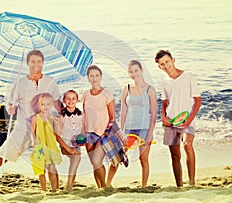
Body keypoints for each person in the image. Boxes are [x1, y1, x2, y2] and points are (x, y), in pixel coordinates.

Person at [0, 50, 62, 192]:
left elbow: (57, 103)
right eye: (33, 61)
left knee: (49, 164)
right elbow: (10, 105)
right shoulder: (20, 83)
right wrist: (11, 108)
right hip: (22, 129)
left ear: (43, 63)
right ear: (27, 63)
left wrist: (68, 113)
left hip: (43, 129)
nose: (36, 65)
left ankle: (53, 192)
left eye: (39, 61)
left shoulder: (50, 82)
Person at [155, 50, 202, 187]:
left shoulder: (188, 77)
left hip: (188, 120)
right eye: (162, 64)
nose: (166, 65)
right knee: (175, 155)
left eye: (167, 61)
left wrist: (189, 120)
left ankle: (192, 182)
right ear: (160, 67)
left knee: (187, 145)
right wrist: (163, 117)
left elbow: (198, 101)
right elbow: (164, 103)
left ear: (173, 60)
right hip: (171, 122)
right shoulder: (164, 82)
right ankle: (179, 185)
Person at [112, 60, 157, 188]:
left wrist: (149, 135)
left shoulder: (150, 90)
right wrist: (121, 132)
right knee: (118, 157)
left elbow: (153, 115)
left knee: (143, 160)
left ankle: (144, 186)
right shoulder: (126, 88)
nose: (134, 74)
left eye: (136, 70)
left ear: (141, 70)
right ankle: (107, 184)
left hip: (144, 128)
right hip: (129, 129)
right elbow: (123, 111)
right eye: (131, 72)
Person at [81, 65, 115, 188]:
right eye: (91, 76)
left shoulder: (107, 94)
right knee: (94, 164)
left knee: (97, 161)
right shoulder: (85, 94)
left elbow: (112, 117)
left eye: (97, 75)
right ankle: (100, 187)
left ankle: (105, 186)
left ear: (100, 77)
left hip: (102, 134)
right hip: (89, 134)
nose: (94, 78)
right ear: (88, 78)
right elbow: (84, 114)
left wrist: (106, 133)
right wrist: (82, 133)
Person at [30, 93, 63, 192]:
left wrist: (58, 124)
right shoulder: (35, 118)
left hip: (51, 146)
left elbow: (58, 133)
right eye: (42, 104)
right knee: (41, 170)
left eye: (48, 104)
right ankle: (44, 189)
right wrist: (34, 142)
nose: (45, 107)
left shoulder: (53, 118)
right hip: (39, 146)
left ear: (52, 104)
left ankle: (54, 189)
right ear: (39, 105)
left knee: (52, 169)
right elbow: (32, 132)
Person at [57, 90, 84, 192]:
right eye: (68, 98)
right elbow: (57, 136)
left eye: (73, 98)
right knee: (76, 158)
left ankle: (70, 184)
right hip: (65, 144)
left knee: (76, 159)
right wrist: (67, 148)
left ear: (77, 100)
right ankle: (69, 186)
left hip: (76, 144)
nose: (71, 101)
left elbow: (83, 130)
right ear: (64, 100)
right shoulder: (61, 116)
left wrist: (83, 139)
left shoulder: (81, 114)